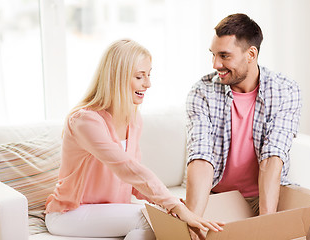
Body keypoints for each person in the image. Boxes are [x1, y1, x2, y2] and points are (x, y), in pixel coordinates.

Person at [44, 39, 223, 239]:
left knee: (157, 224)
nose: (148, 83)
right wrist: (171, 204)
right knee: (147, 218)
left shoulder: (134, 119)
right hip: (69, 213)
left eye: (149, 75)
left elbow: (133, 183)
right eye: (140, 76)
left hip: (109, 210)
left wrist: (173, 206)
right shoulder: (85, 121)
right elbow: (128, 169)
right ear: (117, 78)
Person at [185, 13, 310, 240]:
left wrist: (266, 226)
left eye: (224, 56)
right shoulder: (202, 91)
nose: (215, 64)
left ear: (251, 54)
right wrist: (192, 219)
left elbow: (273, 156)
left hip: (267, 193)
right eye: (213, 55)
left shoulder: (285, 89)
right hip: (223, 195)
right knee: (189, 228)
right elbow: (201, 157)